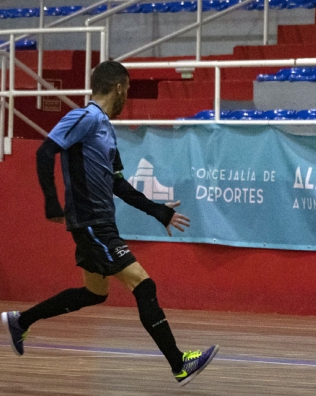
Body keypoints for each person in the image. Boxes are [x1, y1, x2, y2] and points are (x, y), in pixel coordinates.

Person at [1, 60, 218, 386]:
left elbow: (119, 184)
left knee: (94, 293)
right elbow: (45, 153)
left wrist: (158, 211)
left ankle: (21, 321)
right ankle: (179, 363)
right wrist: (51, 202)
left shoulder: (106, 131)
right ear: (118, 87)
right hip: (91, 223)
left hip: (101, 224)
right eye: (127, 91)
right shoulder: (84, 118)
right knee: (144, 285)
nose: (126, 98)